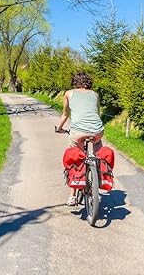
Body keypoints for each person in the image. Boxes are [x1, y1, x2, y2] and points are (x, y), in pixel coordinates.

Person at [56, 71, 104, 206]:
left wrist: (59, 128)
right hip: (97, 130)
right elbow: (97, 113)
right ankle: (99, 177)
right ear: (89, 82)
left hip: (78, 133)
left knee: (75, 159)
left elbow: (65, 114)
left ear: (74, 82)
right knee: (97, 153)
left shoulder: (69, 93)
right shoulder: (95, 94)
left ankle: (72, 196)